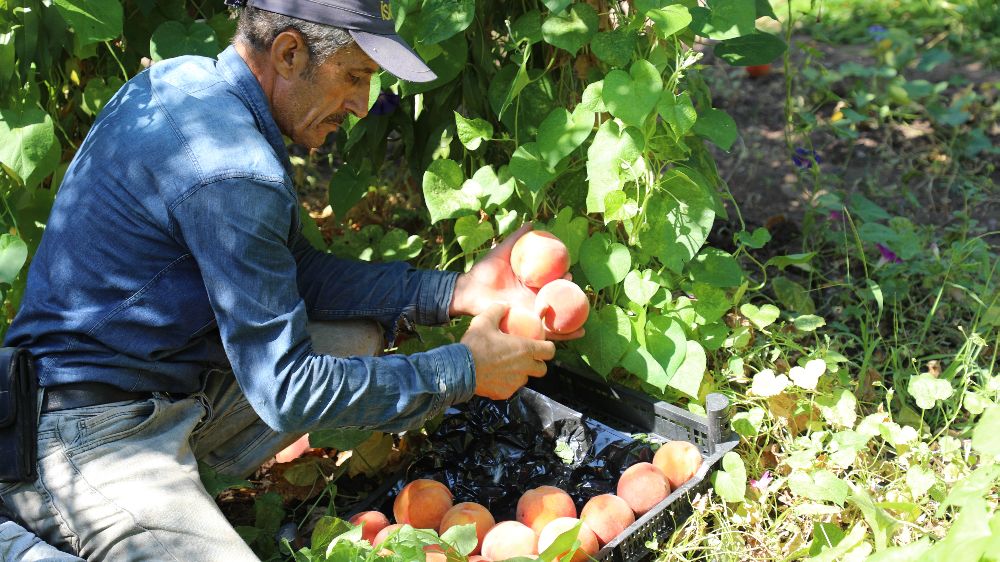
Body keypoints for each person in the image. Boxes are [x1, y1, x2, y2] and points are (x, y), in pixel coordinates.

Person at [0, 0, 580, 559]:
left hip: (152, 388)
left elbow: (295, 271)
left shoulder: (189, 87)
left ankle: (166, 497)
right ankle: (33, 531)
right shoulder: (229, 168)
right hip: (82, 434)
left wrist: (452, 293)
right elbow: (288, 391)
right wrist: (462, 370)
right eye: (353, 77)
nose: (360, 104)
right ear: (289, 53)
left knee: (352, 339)